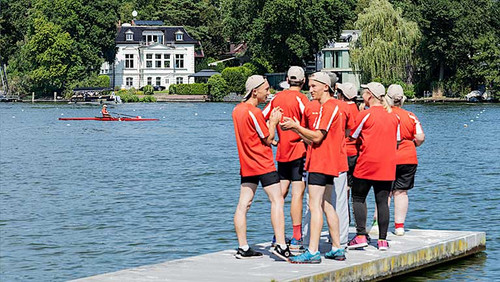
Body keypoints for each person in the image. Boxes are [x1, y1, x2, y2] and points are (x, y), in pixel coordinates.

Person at [280, 72, 345, 263]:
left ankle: (313, 251)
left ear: (326, 86)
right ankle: (337, 248)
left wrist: (295, 127)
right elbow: (314, 136)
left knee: (314, 205)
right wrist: (298, 131)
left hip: (321, 162)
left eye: (314, 86)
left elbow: (317, 137)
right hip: (326, 161)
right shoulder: (327, 107)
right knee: (327, 205)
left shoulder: (330, 107)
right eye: (309, 86)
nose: (311, 90)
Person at [232, 75, 291, 260]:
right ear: (254, 91)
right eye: (266, 89)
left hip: (247, 163)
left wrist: (269, 137)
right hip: (262, 163)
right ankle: (281, 245)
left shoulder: (237, 110)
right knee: (277, 201)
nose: (269, 92)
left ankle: (243, 247)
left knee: (244, 204)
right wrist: (273, 122)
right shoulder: (253, 111)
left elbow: (254, 135)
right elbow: (265, 136)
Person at [347, 82, 400, 251]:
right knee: (382, 202)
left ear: (369, 95)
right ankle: (382, 240)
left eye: (364, 92)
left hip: (366, 163)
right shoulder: (394, 116)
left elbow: (353, 136)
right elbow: (397, 140)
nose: (362, 95)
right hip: (387, 165)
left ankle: (361, 235)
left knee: (358, 198)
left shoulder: (365, 114)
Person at [262, 66, 310, 250]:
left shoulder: (277, 98)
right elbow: (310, 122)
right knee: (297, 194)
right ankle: (297, 236)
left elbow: (264, 117)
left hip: (282, 152)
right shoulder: (302, 99)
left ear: (287, 80)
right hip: (299, 152)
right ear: (303, 81)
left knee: (279, 196)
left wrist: (272, 138)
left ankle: (277, 235)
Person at [386, 84, 425, 236]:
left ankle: (377, 224)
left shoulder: (385, 114)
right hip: (408, 157)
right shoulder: (411, 115)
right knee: (401, 192)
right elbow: (421, 137)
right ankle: (399, 227)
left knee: (385, 192)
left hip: (387, 157)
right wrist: (412, 144)